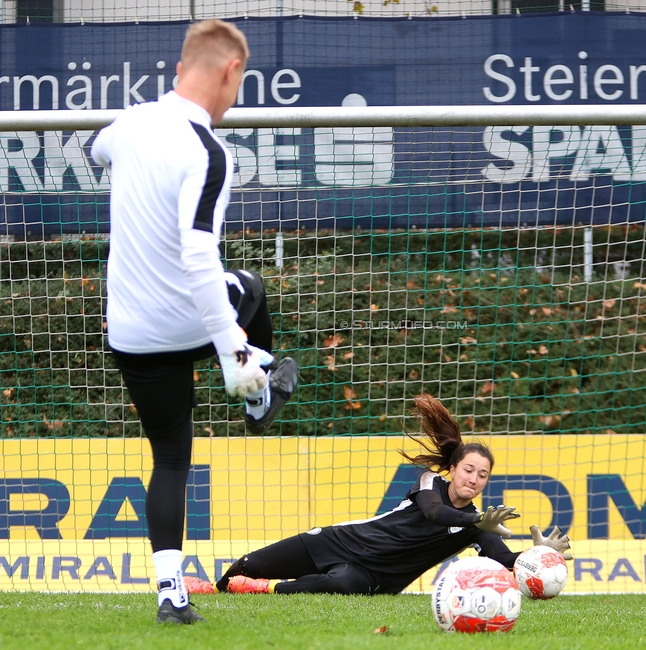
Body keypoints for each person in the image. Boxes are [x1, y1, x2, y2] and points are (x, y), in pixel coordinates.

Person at [91, 19, 299, 625]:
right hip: (188, 320)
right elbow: (198, 253)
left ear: (181, 69)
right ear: (231, 72)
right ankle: (258, 398)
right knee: (251, 288)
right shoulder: (208, 149)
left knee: (171, 459)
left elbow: (93, 148)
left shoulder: (130, 124)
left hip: (130, 332)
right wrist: (232, 347)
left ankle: (170, 595)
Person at [209, 394, 571, 596]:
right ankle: (218, 589)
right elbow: (433, 513)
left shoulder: (479, 523)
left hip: (375, 576)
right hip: (340, 541)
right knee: (248, 564)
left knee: (342, 585)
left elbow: (505, 560)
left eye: (483, 475)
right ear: (453, 468)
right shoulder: (432, 482)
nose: (474, 479)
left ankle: (262, 591)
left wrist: (539, 554)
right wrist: (474, 519)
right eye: (469, 470)